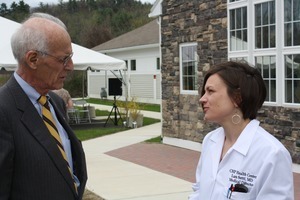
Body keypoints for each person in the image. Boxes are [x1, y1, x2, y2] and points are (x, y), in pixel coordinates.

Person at [0, 13, 87, 199]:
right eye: (63, 59)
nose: (71, 66)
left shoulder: (54, 102)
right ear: (33, 59)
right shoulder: (3, 110)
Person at [189, 61, 294, 199]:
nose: (202, 99)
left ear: (237, 97)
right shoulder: (210, 141)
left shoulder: (272, 154)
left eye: (210, 91)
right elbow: (198, 190)